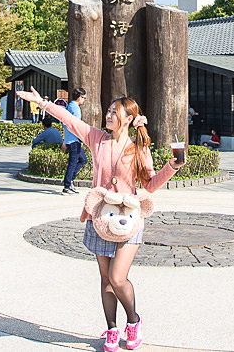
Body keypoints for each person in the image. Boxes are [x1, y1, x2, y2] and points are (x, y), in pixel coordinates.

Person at [17, 86, 185, 352]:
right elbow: (70, 120)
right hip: (101, 218)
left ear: (128, 119)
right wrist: (43, 103)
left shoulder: (138, 148)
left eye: (113, 112)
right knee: (106, 280)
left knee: (118, 278)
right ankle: (111, 329)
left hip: (129, 219)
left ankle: (133, 321)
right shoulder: (97, 139)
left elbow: (150, 185)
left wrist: (173, 166)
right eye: (107, 111)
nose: (107, 116)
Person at [62, 88, 88, 195]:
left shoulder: (69, 106)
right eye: (84, 98)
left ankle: (70, 181)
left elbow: (64, 123)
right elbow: (76, 125)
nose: (84, 100)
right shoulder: (76, 108)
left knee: (83, 160)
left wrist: (64, 139)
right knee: (73, 163)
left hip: (69, 139)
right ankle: (67, 185)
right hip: (74, 139)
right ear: (79, 97)